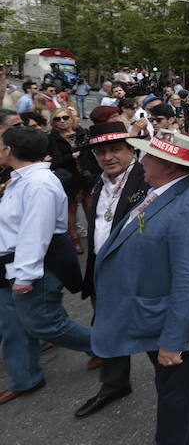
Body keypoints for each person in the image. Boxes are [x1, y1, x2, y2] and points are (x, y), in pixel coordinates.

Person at [91, 129, 189, 444]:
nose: (141, 160)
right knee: (187, 373)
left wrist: (173, 341)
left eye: (148, 155)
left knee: (176, 395)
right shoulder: (164, 187)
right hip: (152, 307)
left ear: (169, 165)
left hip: (172, 320)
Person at [0, 126, 92, 405]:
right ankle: (26, 377)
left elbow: (35, 234)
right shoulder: (20, 178)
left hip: (31, 263)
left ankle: (104, 346)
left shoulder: (38, 183)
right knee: (13, 324)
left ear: (10, 151)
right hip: (10, 263)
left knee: (45, 322)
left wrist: (25, 277)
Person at [75, 122, 149, 419]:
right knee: (108, 330)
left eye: (115, 149)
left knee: (157, 337)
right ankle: (114, 385)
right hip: (103, 271)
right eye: (101, 151)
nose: (108, 157)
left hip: (138, 274)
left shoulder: (149, 179)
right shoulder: (99, 182)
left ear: (132, 150)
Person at [48, 106, 89, 254]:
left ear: (71, 118)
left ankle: (97, 238)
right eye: (57, 119)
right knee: (71, 211)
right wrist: (71, 157)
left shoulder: (81, 132)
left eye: (65, 117)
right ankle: (75, 240)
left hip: (87, 176)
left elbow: (90, 153)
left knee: (91, 209)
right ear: (53, 122)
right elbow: (54, 161)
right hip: (69, 179)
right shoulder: (52, 138)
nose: (62, 121)